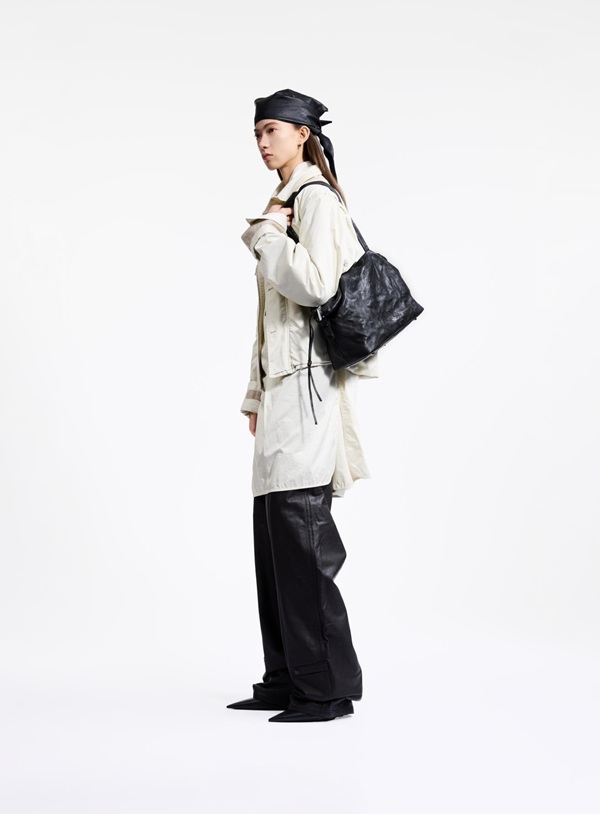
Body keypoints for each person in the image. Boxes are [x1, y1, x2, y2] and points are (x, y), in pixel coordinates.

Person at [227, 88, 378, 723]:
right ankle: (286, 677)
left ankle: (326, 689)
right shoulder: (284, 201)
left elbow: (316, 285)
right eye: (257, 132)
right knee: (274, 541)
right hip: (282, 391)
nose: (263, 142)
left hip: (309, 391)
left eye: (272, 130)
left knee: (303, 537)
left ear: (302, 134)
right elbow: (271, 317)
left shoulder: (315, 200)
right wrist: (255, 393)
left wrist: (265, 235)